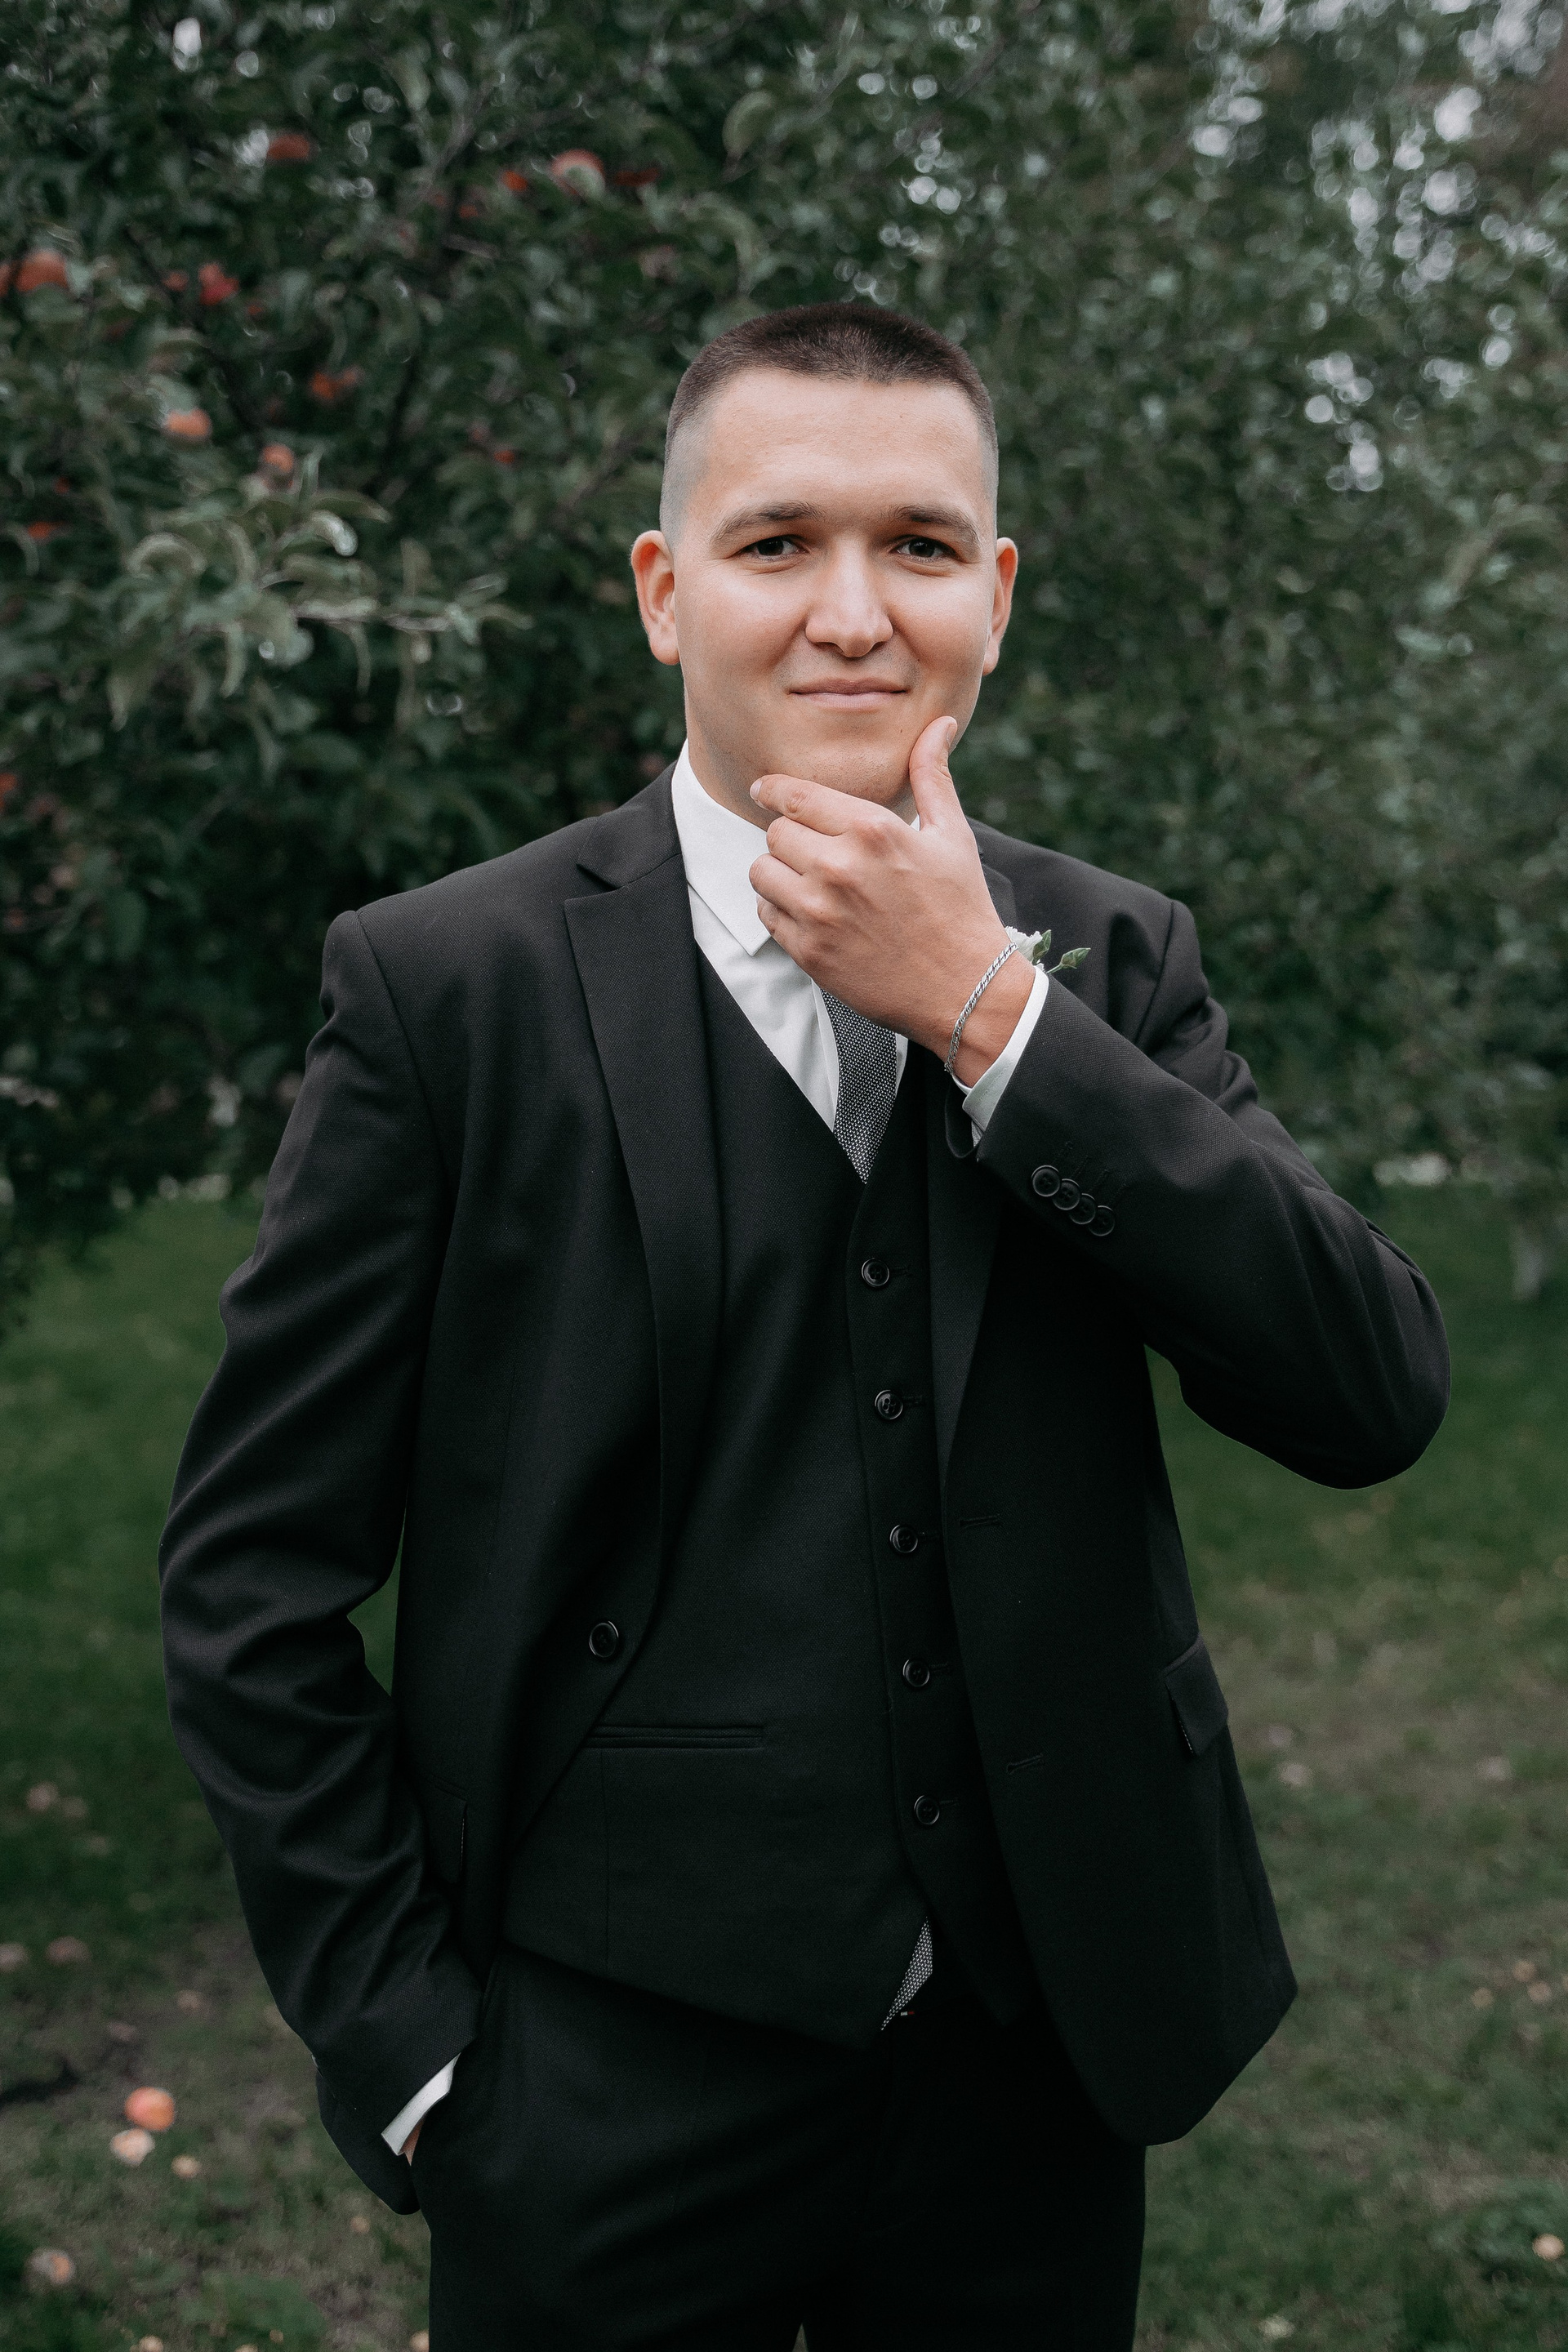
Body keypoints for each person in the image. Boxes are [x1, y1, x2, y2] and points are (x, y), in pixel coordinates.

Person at [159, 303, 1449, 2350]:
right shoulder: (445, 990)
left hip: (1033, 2058)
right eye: (778, 544)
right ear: (666, 593)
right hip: (592, 2079)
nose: (855, 613)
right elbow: (250, 1582)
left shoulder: (1112, 961)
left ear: (994, 597)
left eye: (919, 546)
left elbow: (1368, 1391)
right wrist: (414, 2054)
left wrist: (998, 1021)